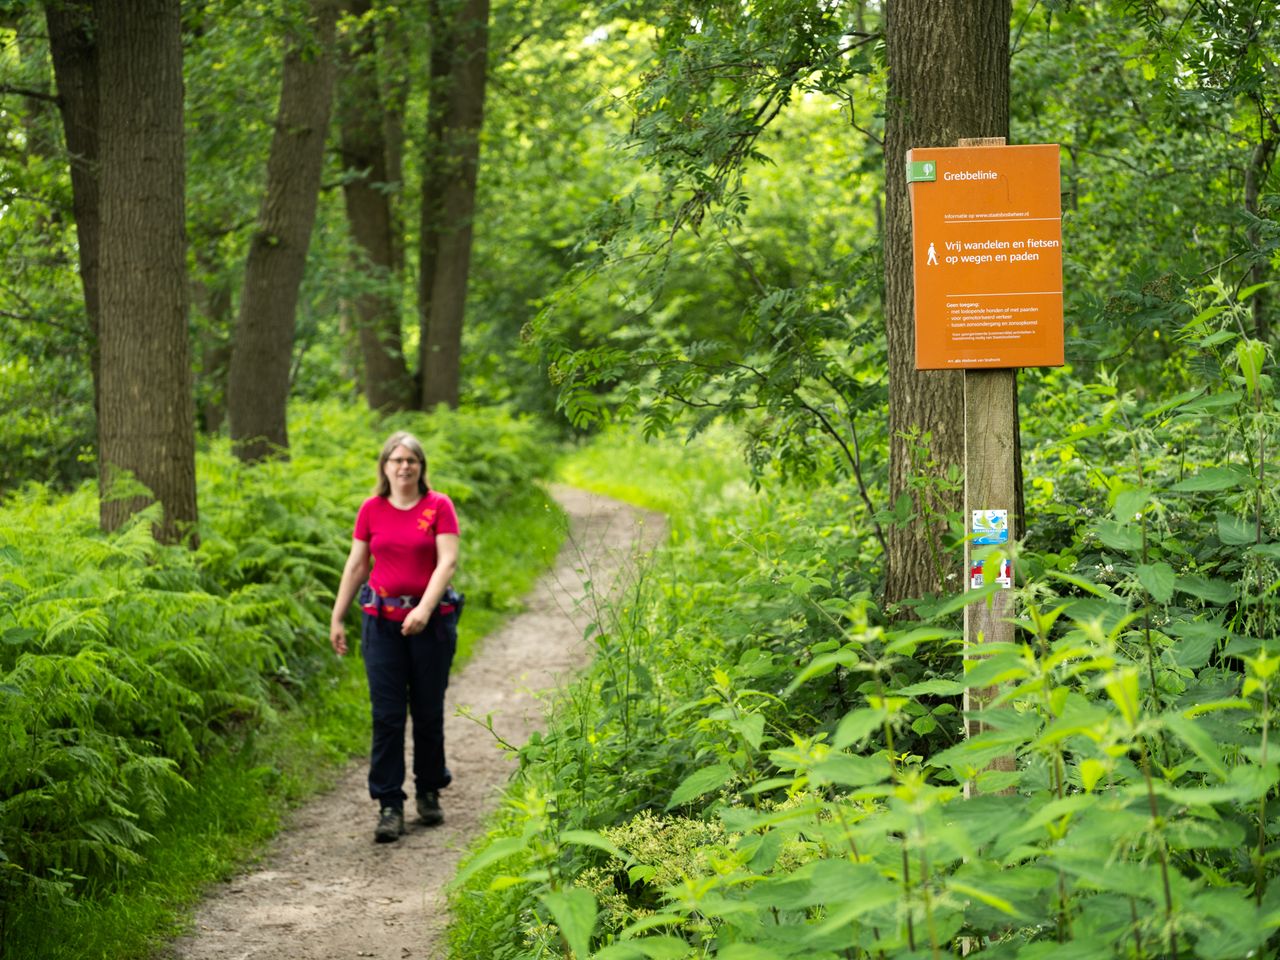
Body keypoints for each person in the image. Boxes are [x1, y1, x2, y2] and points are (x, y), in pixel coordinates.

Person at [330, 431, 460, 843]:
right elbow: (356, 565)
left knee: (426, 709)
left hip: (431, 622)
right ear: (385, 466)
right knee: (386, 715)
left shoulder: (438, 506)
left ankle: (428, 788)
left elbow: (448, 562)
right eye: (397, 460)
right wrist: (337, 617)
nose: (404, 466)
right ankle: (389, 803)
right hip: (380, 623)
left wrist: (423, 609)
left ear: (421, 467)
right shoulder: (371, 509)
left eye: (412, 460)